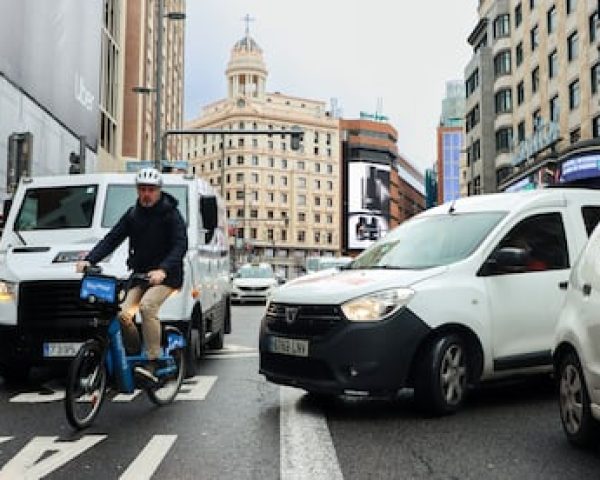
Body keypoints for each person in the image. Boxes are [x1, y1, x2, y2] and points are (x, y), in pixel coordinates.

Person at [76, 167, 188, 382]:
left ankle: (153, 361)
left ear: (159, 191)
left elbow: (180, 245)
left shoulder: (171, 214)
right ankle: (134, 352)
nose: (146, 194)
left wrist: (163, 270)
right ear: (138, 190)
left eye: (151, 190)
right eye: (143, 189)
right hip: (141, 276)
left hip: (167, 277)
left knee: (147, 307)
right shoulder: (133, 214)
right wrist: (90, 259)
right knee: (122, 314)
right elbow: (112, 239)